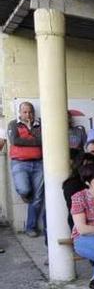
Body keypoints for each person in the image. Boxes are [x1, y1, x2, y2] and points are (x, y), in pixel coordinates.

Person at [7, 101, 43, 237]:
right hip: (20, 163)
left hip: (38, 164)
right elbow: (15, 141)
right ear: (20, 112)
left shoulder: (40, 125)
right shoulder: (13, 124)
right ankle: (25, 194)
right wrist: (34, 139)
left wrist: (30, 133)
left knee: (38, 198)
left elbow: (43, 141)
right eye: (25, 112)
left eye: (30, 112)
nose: (28, 115)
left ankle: (31, 227)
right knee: (25, 189)